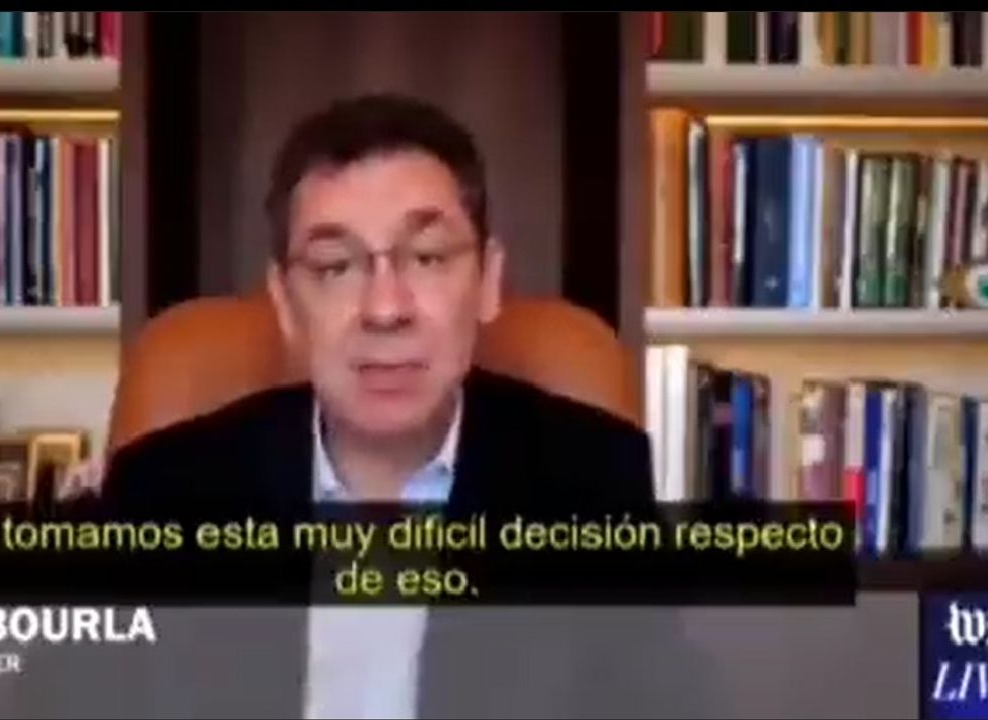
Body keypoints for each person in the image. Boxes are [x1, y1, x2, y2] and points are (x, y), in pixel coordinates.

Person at [100, 94, 698, 719]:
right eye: (335, 267)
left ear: (488, 280)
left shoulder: (594, 481)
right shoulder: (160, 490)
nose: (385, 309)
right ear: (283, 302)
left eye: (428, 257)